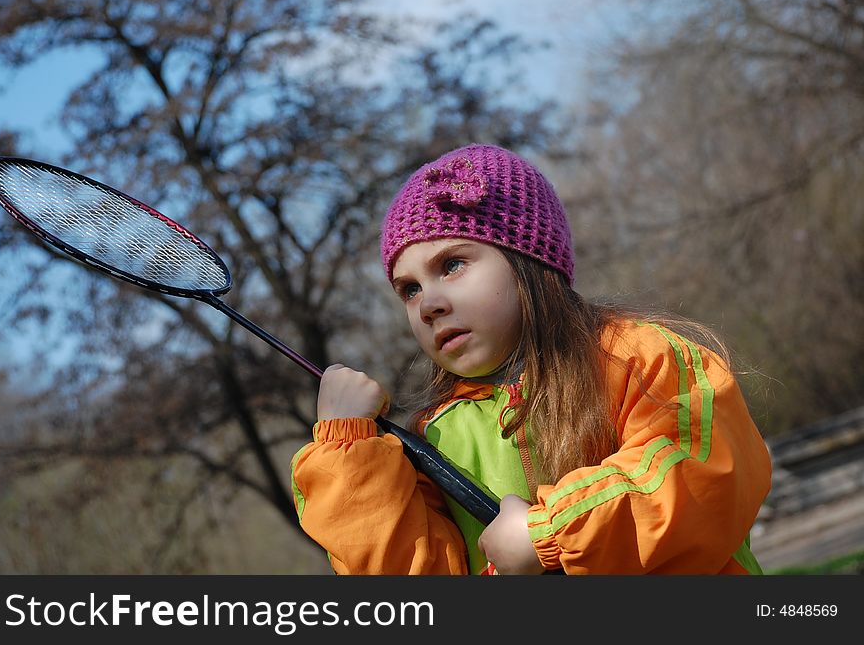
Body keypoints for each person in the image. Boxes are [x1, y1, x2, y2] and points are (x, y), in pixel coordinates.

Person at [290, 143, 772, 575]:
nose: (428, 303)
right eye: (409, 289)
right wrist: (346, 451)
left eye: (452, 264)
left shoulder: (638, 359)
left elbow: (698, 481)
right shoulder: (432, 437)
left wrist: (550, 535)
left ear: (530, 261)